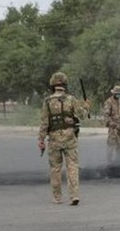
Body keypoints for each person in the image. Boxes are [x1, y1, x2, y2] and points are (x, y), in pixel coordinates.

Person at [38, 72, 89, 205]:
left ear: (53, 85)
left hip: (54, 139)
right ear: (64, 84)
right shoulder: (71, 100)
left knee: (55, 168)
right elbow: (82, 116)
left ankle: (57, 197)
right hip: (70, 138)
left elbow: (44, 122)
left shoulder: (47, 101)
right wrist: (86, 107)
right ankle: (74, 195)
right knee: (72, 166)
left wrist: (41, 140)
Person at [103, 85, 120, 163]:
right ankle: (109, 162)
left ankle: (119, 161)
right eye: (117, 94)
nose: (119, 95)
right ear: (114, 93)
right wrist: (112, 123)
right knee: (111, 145)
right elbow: (106, 115)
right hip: (113, 128)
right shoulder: (109, 102)